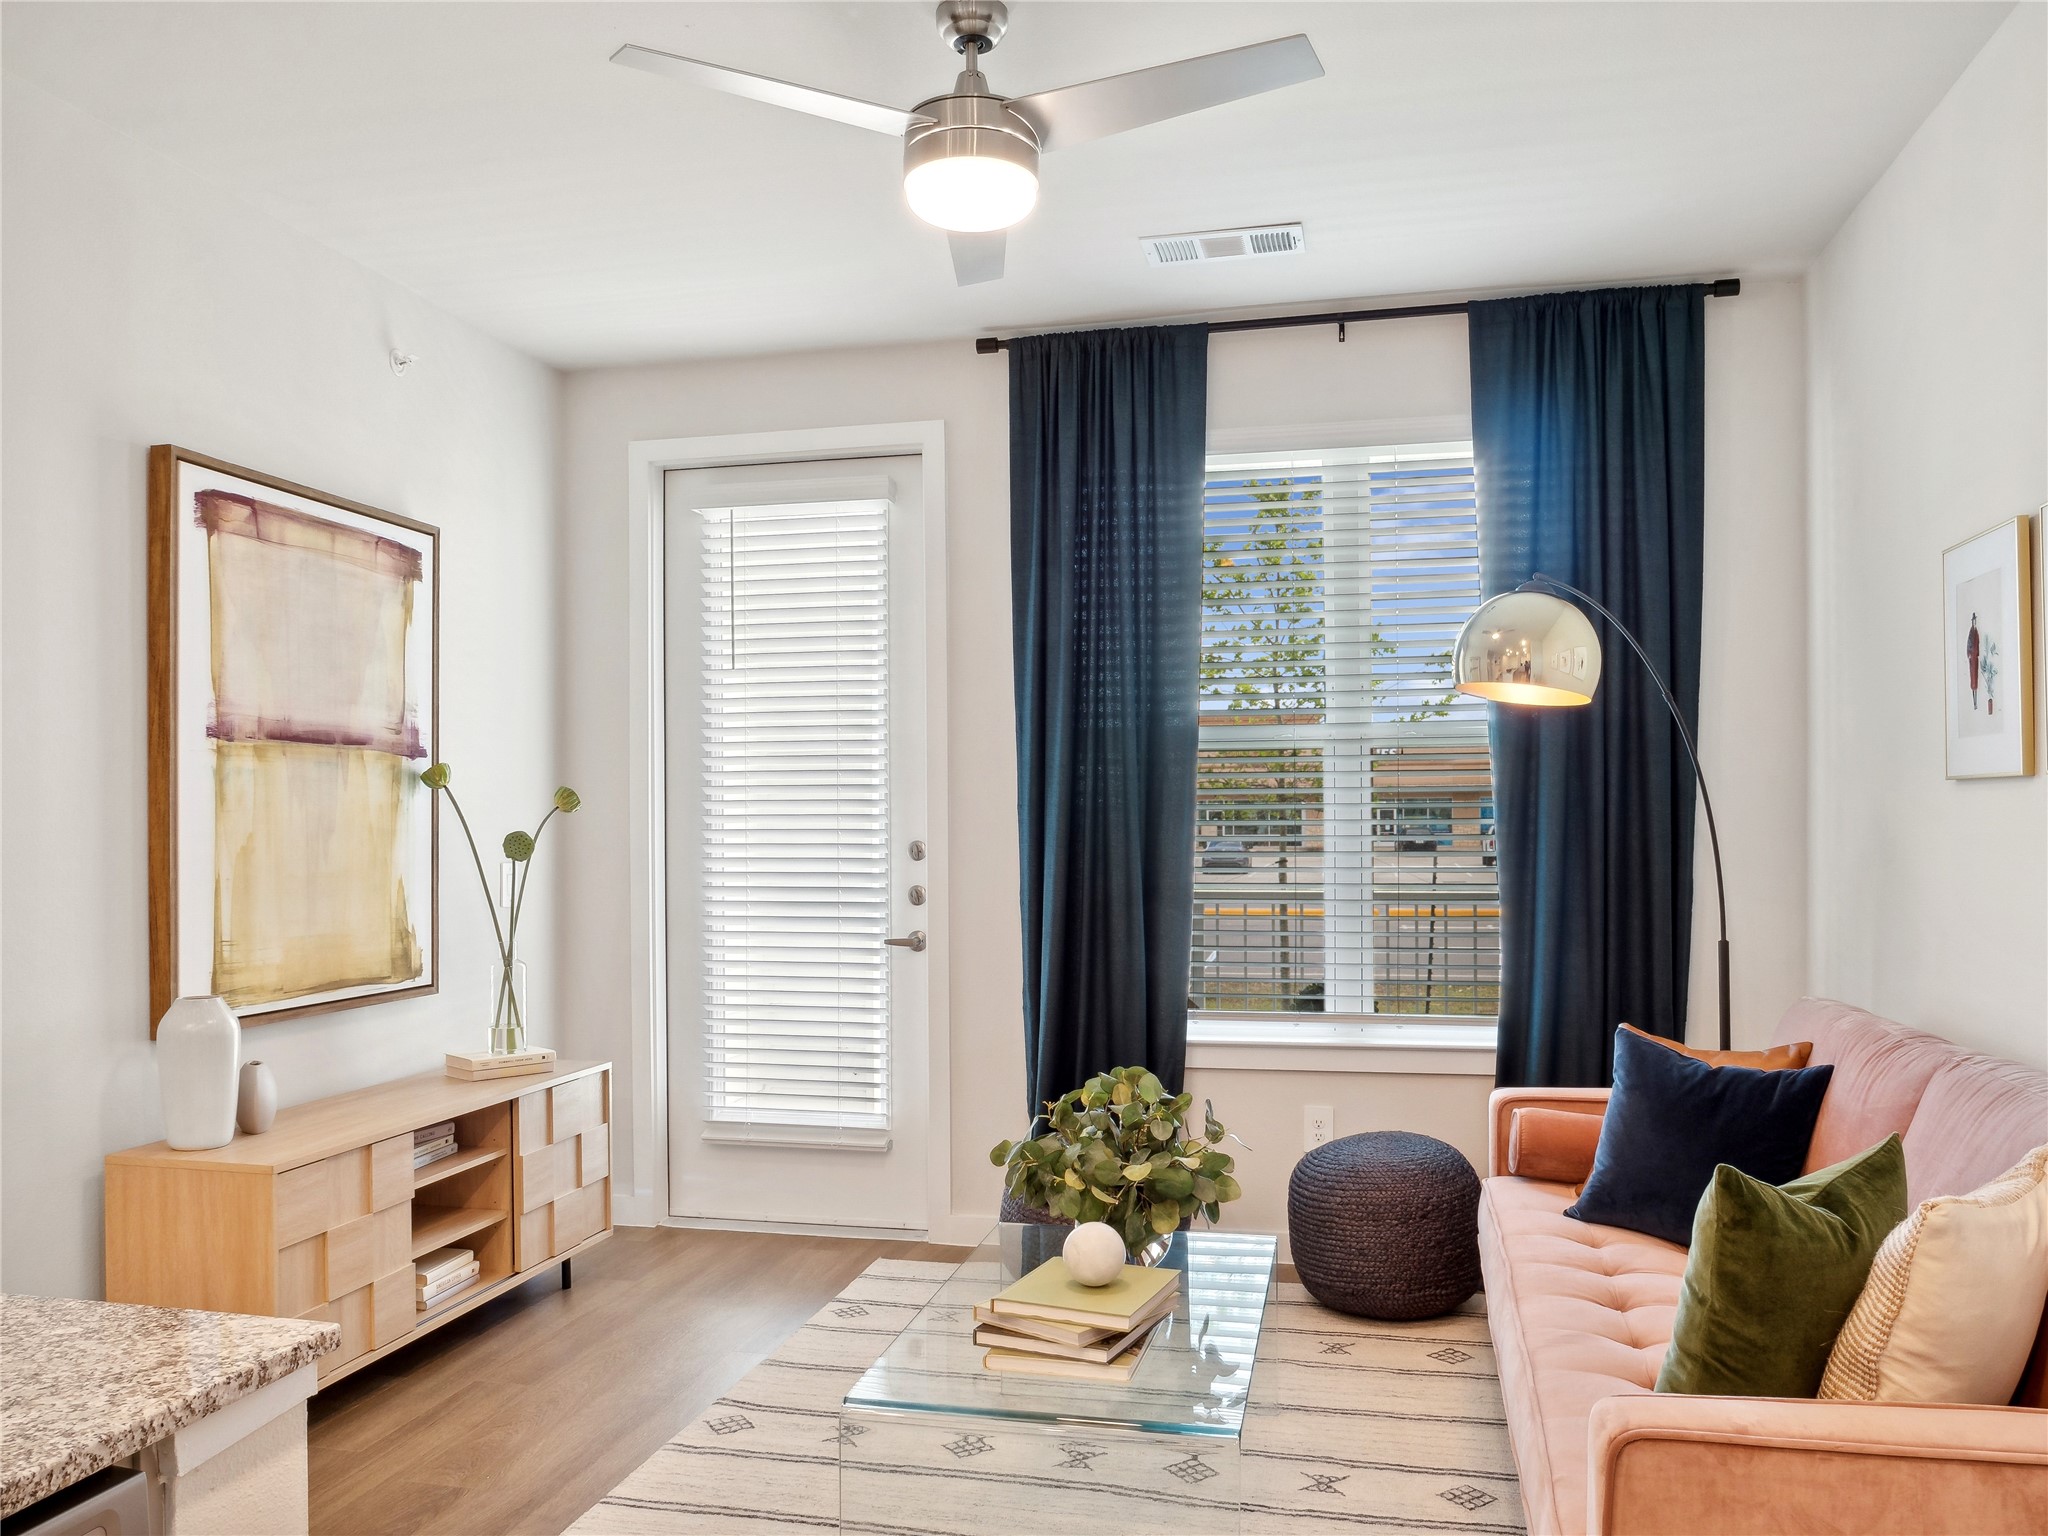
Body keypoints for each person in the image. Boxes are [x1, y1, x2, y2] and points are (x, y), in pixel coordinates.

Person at [1967, 612, 1981, 710]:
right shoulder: (1972, 632)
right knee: (1972, 680)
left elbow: (1976, 646)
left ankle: (1975, 702)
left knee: (1975, 680)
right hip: (1972, 659)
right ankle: (1974, 703)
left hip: (1974, 659)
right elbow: (1969, 647)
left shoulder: (1975, 632)